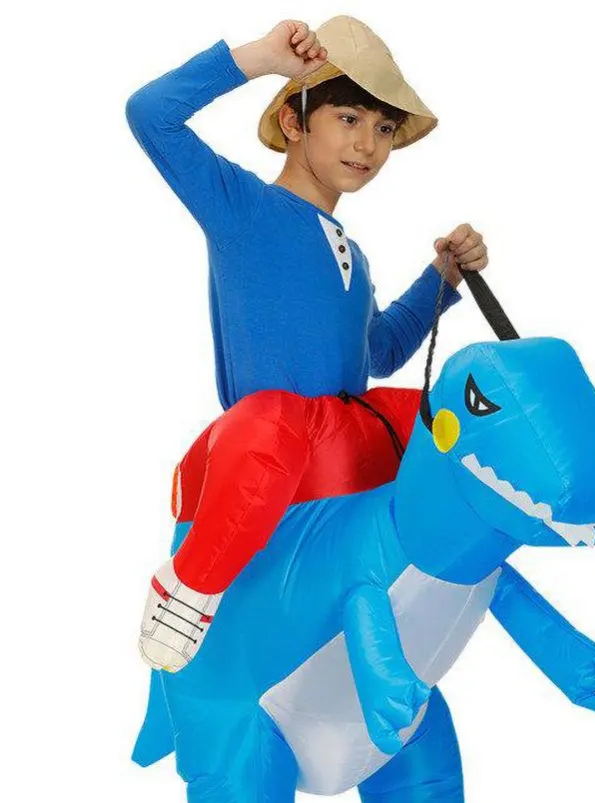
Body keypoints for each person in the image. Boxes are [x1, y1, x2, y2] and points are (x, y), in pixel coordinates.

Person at [126, 16, 489, 670]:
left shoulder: (352, 253)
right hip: (267, 452)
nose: (368, 144)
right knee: (274, 421)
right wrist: (261, 58)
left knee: (439, 413)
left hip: (339, 454)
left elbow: (378, 352)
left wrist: (443, 278)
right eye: (348, 118)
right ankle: (190, 585)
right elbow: (151, 114)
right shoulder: (244, 209)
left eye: (384, 128)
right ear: (294, 124)